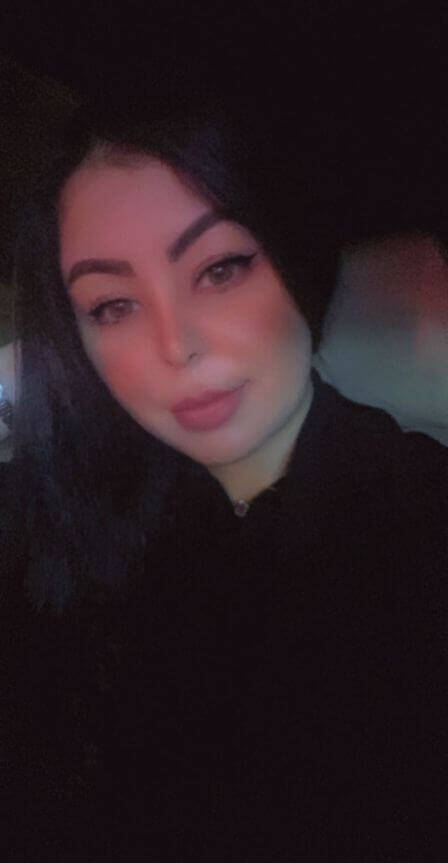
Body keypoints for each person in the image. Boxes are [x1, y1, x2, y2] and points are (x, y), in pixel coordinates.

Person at [1, 95, 447, 861]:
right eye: (112, 305)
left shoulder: (416, 530)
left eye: (221, 269)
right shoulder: (45, 521)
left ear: (295, 258)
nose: (177, 345)